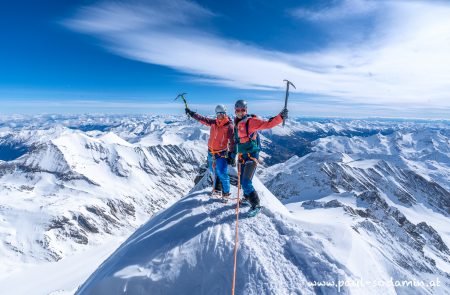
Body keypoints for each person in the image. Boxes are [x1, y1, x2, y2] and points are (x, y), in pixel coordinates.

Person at [232, 99, 288, 211]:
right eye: (238, 110)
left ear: (246, 110)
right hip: (242, 156)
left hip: (252, 156)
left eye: (242, 110)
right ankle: (247, 198)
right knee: (242, 181)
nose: (240, 112)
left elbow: (267, 124)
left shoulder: (251, 121)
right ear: (235, 110)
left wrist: (280, 117)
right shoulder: (236, 122)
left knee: (246, 182)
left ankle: (256, 204)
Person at [185, 104, 236, 197]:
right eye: (218, 114)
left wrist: (232, 155)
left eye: (221, 113)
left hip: (221, 153)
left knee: (222, 173)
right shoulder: (214, 122)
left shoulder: (229, 126)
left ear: (225, 113)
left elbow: (233, 142)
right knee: (213, 171)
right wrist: (192, 114)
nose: (219, 115)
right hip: (211, 152)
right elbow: (203, 119)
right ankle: (217, 189)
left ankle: (226, 193)